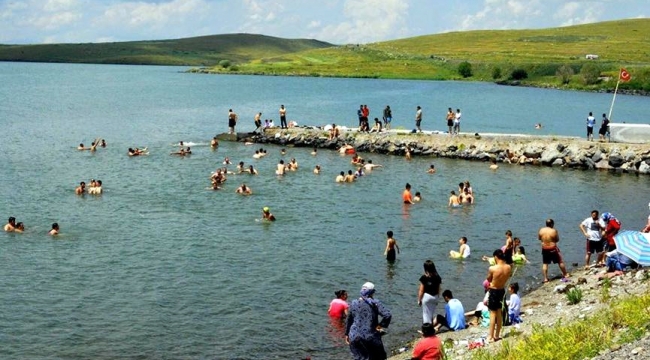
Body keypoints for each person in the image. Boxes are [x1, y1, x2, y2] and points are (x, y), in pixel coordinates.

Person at [345, 282, 391, 360]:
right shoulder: (375, 303)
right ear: (372, 292)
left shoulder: (353, 303)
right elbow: (387, 315)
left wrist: (347, 334)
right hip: (370, 336)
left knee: (359, 357)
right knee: (379, 356)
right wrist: (380, 325)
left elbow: (349, 320)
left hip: (354, 335)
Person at [486, 249, 511, 342]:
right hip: (502, 290)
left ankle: (490, 336)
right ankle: (497, 335)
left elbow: (489, 279)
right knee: (499, 312)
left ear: (496, 257)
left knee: (492, 313)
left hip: (494, 290)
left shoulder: (493, 268)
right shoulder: (508, 267)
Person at [538, 219, 569, 283]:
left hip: (544, 248)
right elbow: (557, 240)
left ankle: (545, 278)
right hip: (552, 248)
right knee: (560, 261)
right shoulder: (554, 231)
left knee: (545, 263)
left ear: (546, 224)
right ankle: (565, 274)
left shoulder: (541, 230)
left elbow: (539, 238)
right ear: (552, 224)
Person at [418, 260, 442, 324]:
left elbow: (421, 290)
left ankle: (426, 331)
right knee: (431, 314)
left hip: (427, 297)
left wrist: (419, 300)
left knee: (425, 315)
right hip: (435, 297)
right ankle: (430, 328)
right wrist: (437, 298)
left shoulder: (424, 277)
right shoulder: (438, 277)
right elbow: (439, 289)